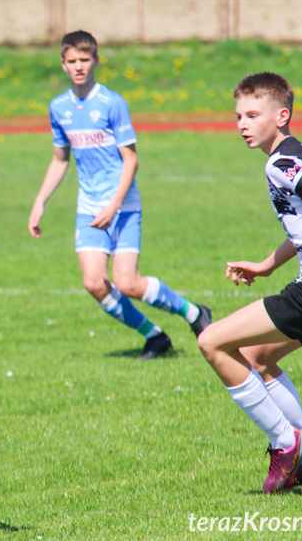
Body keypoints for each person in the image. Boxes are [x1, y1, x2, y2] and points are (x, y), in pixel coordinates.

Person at [197, 72, 302, 493]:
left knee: (211, 342)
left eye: (252, 114)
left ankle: (288, 446)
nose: (242, 124)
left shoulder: (280, 163)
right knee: (257, 359)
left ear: (281, 115)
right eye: (238, 116)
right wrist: (267, 264)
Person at [28, 30, 211, 360]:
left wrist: (114, 205)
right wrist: (40, 202)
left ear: (96, 61)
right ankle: (154, 336)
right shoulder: (59, 107)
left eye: (85, 60)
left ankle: (194, 313)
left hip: (122, 205)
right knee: (95, 283)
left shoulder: (112, 103)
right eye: (72, 61)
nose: (79, 66)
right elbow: (60, 159)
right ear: (63, 64)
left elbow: (131, 160)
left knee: (127, 283)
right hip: (89, 207)